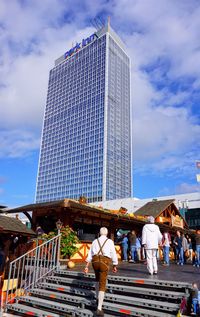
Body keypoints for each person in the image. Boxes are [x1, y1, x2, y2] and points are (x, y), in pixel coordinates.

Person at [84, 227, 118, 316]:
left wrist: (86, 266)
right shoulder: (110, 241)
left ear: (99, 233)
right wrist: (115, 265)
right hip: (104, 262)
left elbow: (90, 254)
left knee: (97, 279)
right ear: (106, 233)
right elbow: (113, 253)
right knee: (102, 284)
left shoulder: (95, 241)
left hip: (95, 262)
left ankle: (97, 297)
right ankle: (99, 308)